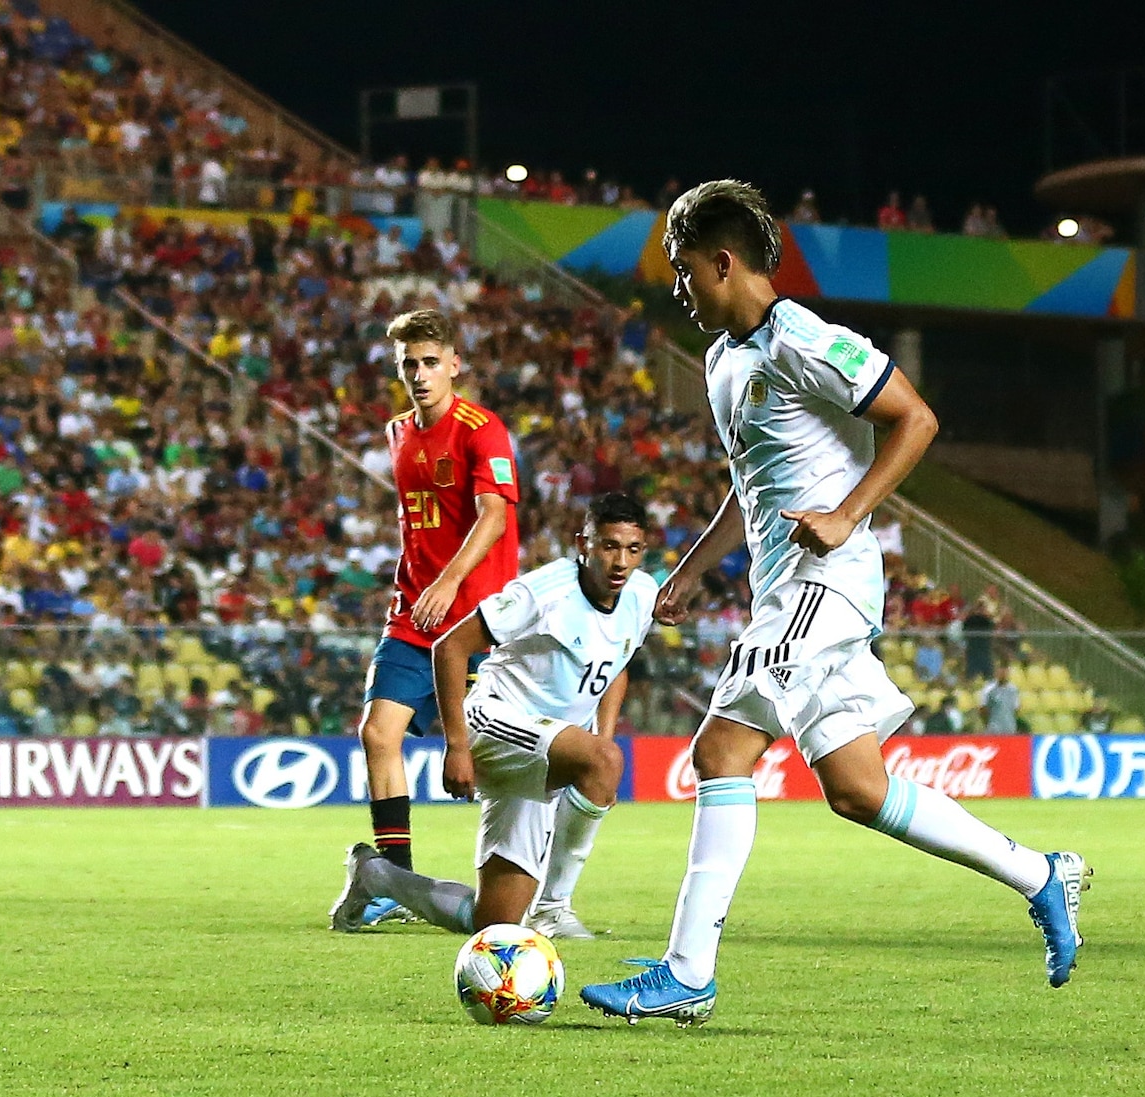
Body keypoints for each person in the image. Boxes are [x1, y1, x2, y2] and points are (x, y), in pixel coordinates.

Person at [579, 181, 1088, 1026]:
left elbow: (916, 419)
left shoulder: (803, 339)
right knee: (857, 789)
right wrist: (695, 568)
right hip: (784, 590)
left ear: (723, 262)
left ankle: (688, 971)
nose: (677, 287)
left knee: (721, 751)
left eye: (683, 269)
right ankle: (1040, 873)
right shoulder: (724, 361)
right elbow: (752, 485)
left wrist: (848, 514)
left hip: (828, 583)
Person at [329, 494, 653, 936]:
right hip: (495, 721)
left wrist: (602, 739)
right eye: (609, 546)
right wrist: (457, 746)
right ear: (584, 544)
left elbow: (617, 663)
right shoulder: (544, 592)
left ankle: (377, 876)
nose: (620, 562)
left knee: (493, 922)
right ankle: (552, 908)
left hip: (546, 746)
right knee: (604, 761)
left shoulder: (641, 594)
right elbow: (450, 647)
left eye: (632, 550)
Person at [345, 308, 521, 927]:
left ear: (454, 364)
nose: (419, 375)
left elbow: (494, 515)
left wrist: (449, 581)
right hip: (413, 614)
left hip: (477, 619)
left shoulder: (482, 430)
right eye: (408, 365)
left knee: (497, 759)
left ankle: (544, 892)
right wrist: (427, 585)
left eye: (429, 363)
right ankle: (394, 883)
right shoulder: (397, 431)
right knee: (378, 734)